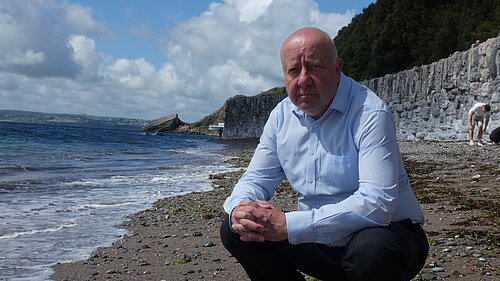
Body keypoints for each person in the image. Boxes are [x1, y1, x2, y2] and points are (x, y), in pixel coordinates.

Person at [220, 27, 428, 281]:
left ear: (338, 68)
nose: (304, 79)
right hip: (320, 239)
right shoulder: (281, 116)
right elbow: (255, 179)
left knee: (371, 250)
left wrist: (288, 225)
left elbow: (377, 204)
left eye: (315, 67)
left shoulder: (369, 113)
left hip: (388, 235)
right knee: (237, 230)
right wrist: (240, 208)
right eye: (294, 70)